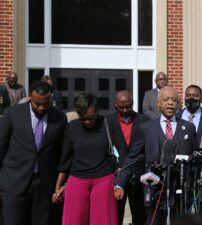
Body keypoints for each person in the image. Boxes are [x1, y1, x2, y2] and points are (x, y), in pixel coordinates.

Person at [114, 86, 197, 225]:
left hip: (180, 189)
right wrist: (120, 183)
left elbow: (194, 157)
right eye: (166, 99)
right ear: (158, 104)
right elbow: (133, 157)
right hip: (154, 189)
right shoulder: (146, 128)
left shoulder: (188, 127)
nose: (170, 103)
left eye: (174, 100)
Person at [0, 81, 67, 225]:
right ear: (30, 97)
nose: (41, 108)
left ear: (51, 99)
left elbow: (63, 152)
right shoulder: (12, 113)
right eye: (37, 104)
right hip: (14, 181)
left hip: (44, 184)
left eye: (46, 103)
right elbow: (1, 146)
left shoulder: (60, 118)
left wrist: (61, 183)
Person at [53, 94, 118, 225]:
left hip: (104, 179)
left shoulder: (108, 124)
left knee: (103, 221)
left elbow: (119, 152)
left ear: (97, 111)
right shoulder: (72, 127)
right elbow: (66, 158)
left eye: (91, 118)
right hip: (77, 179)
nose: (87, 122)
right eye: (83, 119)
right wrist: (58, 186)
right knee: (73, 220)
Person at [107, 90, 149, 225]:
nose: (125, 110)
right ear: (115, 105)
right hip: (117, 175)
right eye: (121, 107)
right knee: (115, 215)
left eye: (128, 106)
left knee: (140, 215)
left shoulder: (144, 121)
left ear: (133, 103)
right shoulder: (107, 122)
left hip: (138, 175)